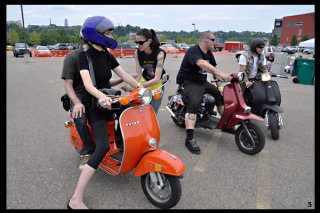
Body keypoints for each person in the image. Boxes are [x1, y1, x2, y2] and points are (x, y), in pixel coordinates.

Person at [67, 16, 141, 209]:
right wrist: (101, 97)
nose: (110, 36)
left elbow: (124, 75)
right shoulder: (84, 56)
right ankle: (76, 198)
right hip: (94, 104)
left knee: (132, 119)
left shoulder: (107, 54)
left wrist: (142, 89)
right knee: (101, 148)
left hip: (110, 99)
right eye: (107, 32)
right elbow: (87, 84)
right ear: (95, 35)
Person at [61, 42, 137, 170]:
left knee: (126, 107)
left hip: (101, 93)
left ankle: (119, 141)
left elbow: (103, 82)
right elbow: (68, 85)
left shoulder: (102, 54)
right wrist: (77, 102)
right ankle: (88, 151)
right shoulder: (73, 57)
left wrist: (124, 80)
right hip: (79, 94)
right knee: (80, 118)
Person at [176, 31, 232, 154]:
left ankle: (225, 124)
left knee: (220, 97)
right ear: (205, 39)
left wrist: (219, 87)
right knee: (194, 105)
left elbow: (214, 71)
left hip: (201, 82)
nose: (214, 42)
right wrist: (222, 74)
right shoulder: (193, 51)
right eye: (213, 39)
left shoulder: (209, 54)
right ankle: (189, 139)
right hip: (189, 82)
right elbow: (201, 63)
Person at [123, 28, 166, 114]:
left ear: (149, 40)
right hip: (145, 79)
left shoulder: (160, 53)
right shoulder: (137, 53)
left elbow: (157, 79)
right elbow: (138, 74)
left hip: (157, 84)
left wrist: (139, 86)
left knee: (152, 112)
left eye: (141, 42)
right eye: (136, 42)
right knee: (139, 111)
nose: (138, 45)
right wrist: (132, 86)